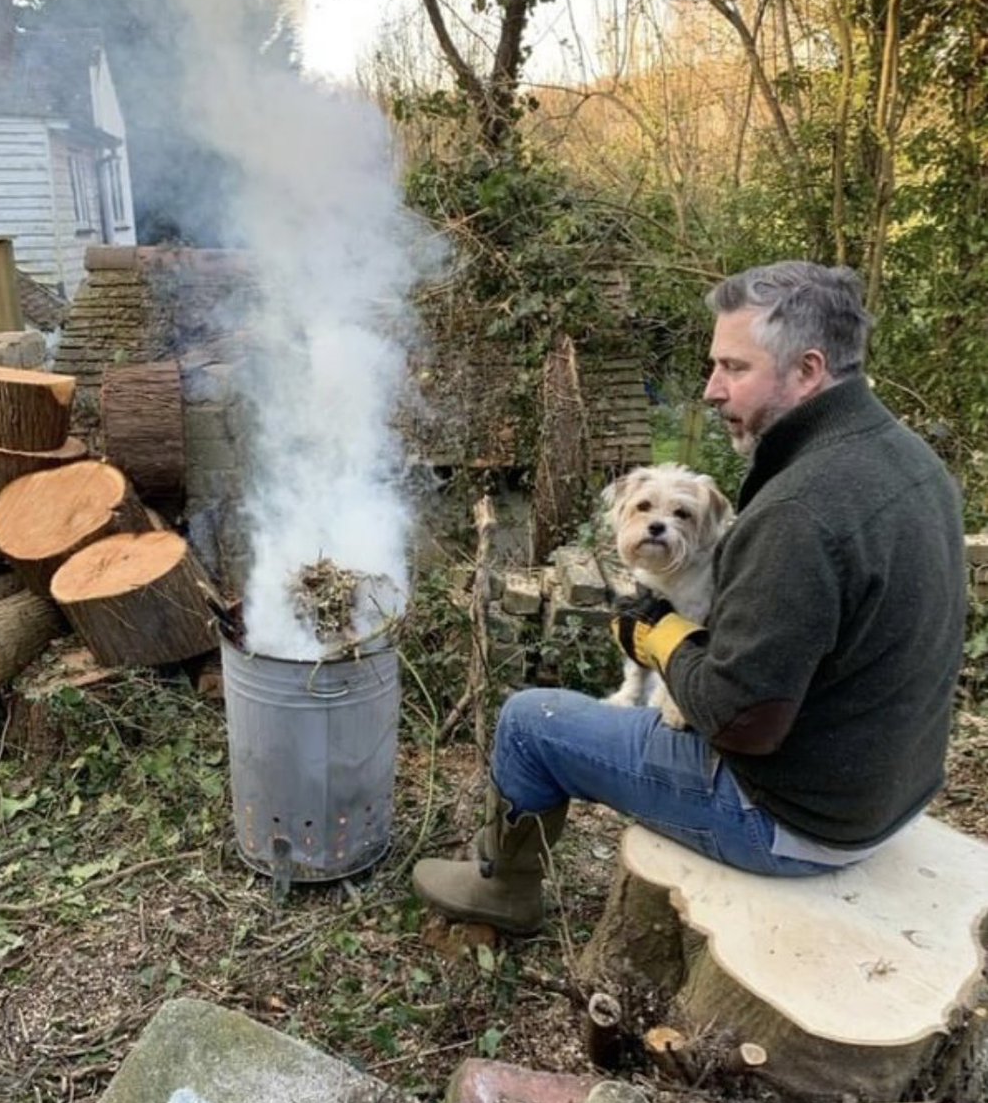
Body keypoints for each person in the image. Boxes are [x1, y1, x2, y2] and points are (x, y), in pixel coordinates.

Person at [413, 261, 967, 935]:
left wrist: (661, 637)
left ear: (807, 370)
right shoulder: (907, 460)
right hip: (887, 792)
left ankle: (500, 891)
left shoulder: (800, 511)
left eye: (732, 367)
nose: (709, 390)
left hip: (790, 820)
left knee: (529, 721)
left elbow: (741, 723)